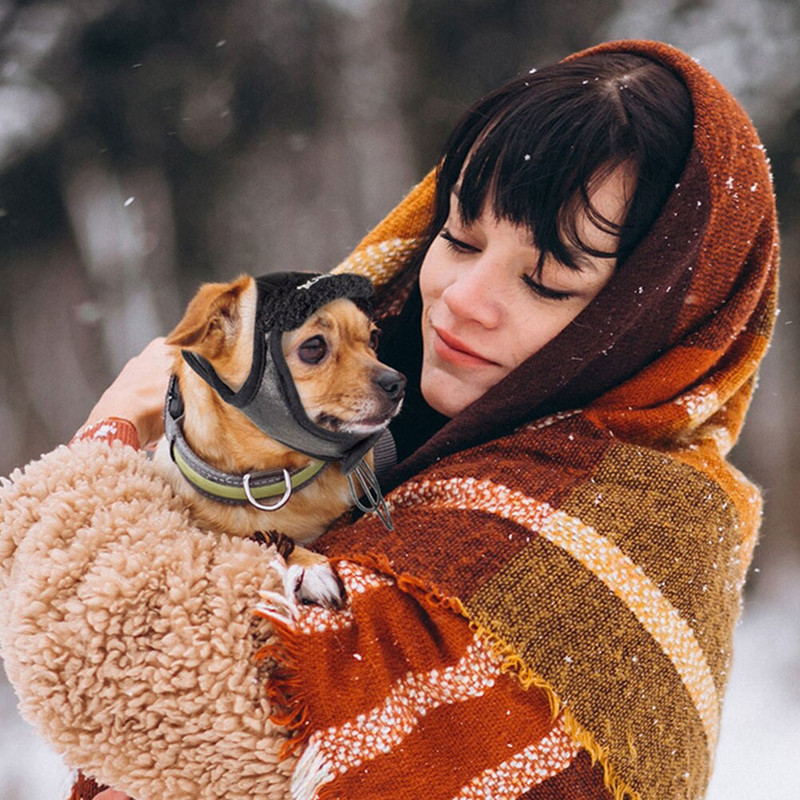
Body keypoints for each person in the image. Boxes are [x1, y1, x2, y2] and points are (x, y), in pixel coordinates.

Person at [0, 39, 777, 800]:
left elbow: (131, 681)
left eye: (544, 280)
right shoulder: (377, 450)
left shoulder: (620, 533)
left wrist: (105, 441)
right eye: (460, 235)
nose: (463, 298)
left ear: (645, 328)